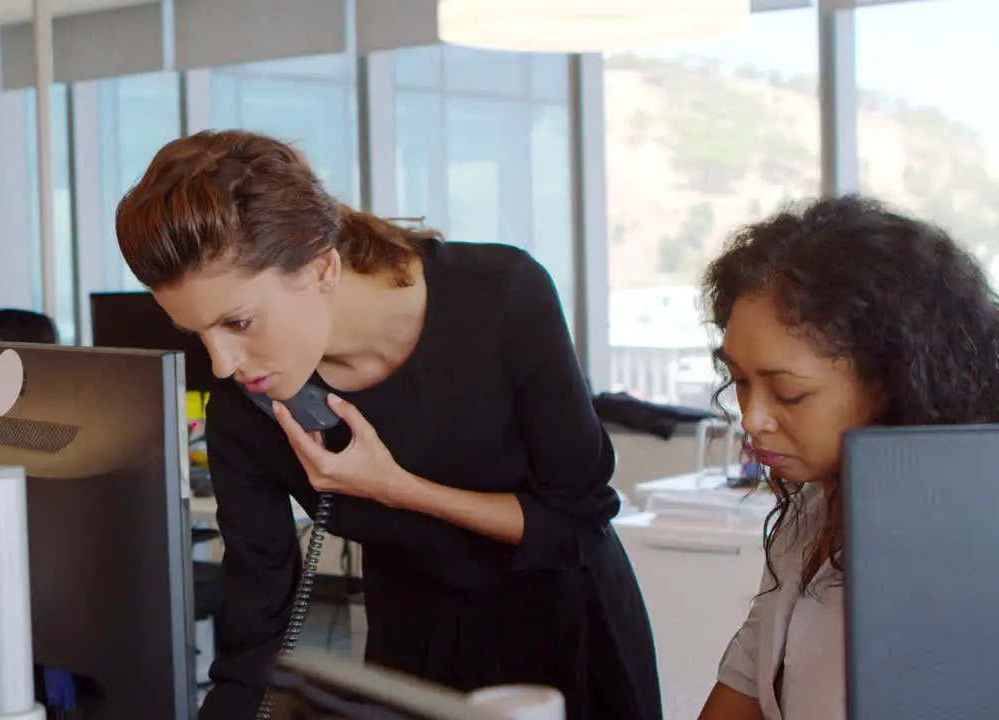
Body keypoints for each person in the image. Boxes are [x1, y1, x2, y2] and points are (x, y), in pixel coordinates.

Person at [114, 129, 662, 720]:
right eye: (197, 334)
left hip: (562, 632)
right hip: (410, 649)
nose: (221, 363)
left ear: (321, 268)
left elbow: (576, 519)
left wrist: (396, 489)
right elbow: (257, 630)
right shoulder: (245, 408)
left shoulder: (501, 296)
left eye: (239, 323)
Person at [694, 195, 999, 720]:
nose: (752, 418)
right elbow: (744, 683)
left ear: (891, 381)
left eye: (788, 394)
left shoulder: (963, 559)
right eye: (740, 382)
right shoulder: (812, 511)